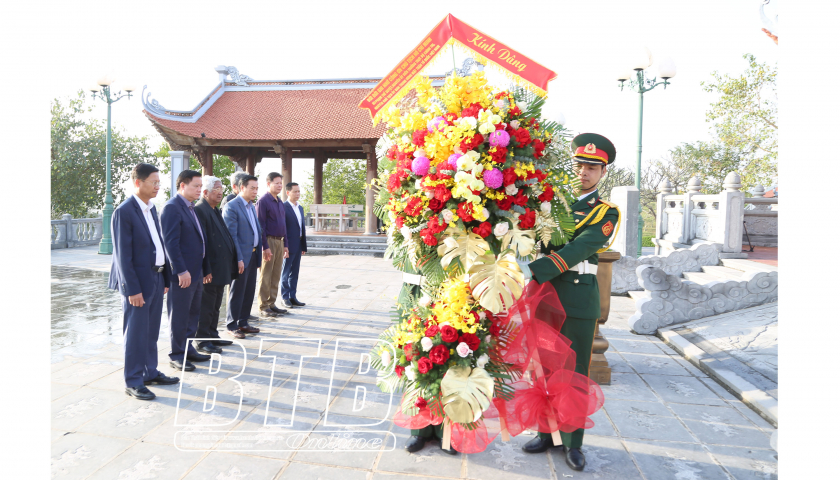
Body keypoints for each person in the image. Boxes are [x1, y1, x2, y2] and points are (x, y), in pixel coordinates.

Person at [520, 133, 620, 472]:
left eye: (592, 168)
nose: (584, 172)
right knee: (545, 368)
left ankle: (572, 443)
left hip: (576, 299)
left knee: (574, 373)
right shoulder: (551, 204)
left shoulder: (606, 213)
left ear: (602, 172)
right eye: (579, 165)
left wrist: (534, 269)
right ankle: (546, 434)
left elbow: (580, 248)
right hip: (545, 297)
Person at [108, 163, 179, 401]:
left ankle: (150, 372)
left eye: (159, 182)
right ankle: (134, 381)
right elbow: (122, 256)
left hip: (156, 278)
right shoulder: (124, 212)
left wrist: (165, 277)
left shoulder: (151, 208)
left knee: (150, 332)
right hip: (138, 283)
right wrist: (132, 289)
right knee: (136, 334)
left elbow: (159, 244)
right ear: (138, 182)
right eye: (154, 182)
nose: (158, 186)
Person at [161, 170, 212, 372]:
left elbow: (200, 241)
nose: (199, 190)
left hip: (196, 272)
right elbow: (170, 243)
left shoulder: (191, 207)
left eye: (200, 186)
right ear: (182, 185)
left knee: (193, 313)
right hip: (182, 275)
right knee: (179, 316)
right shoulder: (172, 208)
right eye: (196, 186)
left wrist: (205, 269)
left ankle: (188, 349)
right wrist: (181, 270)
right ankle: (176, 354)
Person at [193, 175, 237, 354]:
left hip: (220, 267)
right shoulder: (200, 210)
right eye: (216, 189)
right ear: (205, 192)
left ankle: (212, 335)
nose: (220, 192)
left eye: (221, 189)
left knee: (216, 304)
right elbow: (202, 243)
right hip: (210, 268)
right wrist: (206, 269)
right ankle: (202, 339)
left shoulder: (215, 209)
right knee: (206, 305)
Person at [223, 174, 270, 338]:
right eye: (252, 188)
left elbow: (257, 230)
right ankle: (231, 324)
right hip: (241, 257)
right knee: (237, 291)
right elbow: (232, 236)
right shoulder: (232, 207)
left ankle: (243, 322)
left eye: (257, 188)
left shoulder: (251, 206)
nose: (255, 191)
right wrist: (238, 258)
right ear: (241, 188)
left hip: (253, 255)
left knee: (249, 291)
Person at [256, 172, 290, 317]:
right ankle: (263, 306)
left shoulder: (280, 202)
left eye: (281, 183)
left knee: (276, 274)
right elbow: (260, 226)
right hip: (268, 241)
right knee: (266, 274)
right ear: (268, 184)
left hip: (280, 241)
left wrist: (286, 244)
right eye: (276, 183)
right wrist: (265, 246)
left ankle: (271, 303)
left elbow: (284, 225)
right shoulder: (263, 201)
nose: (279, 185)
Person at [280, 182, 307, 309]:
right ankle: (285, 297)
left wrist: (303, 246)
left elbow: (302, 228)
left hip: (298, 244)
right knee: (285, 272)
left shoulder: (300, 207)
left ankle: (292, 296)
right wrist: (284, 245)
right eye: (295, 191)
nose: (298, 194)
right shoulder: (283, 207)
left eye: (299, 191)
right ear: (288, 193)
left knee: (295, 273)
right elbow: (283, 228)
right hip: (288, 245)